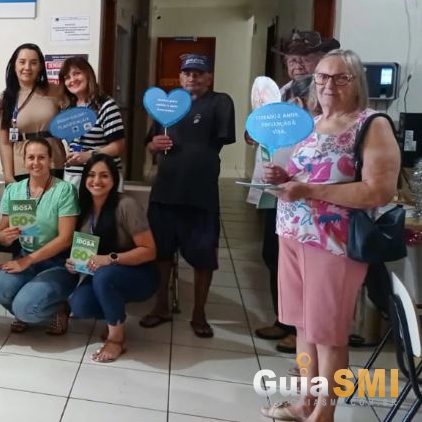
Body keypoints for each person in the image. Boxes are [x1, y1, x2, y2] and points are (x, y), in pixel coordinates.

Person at [260, 50, 401, 422]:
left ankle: (324, 412)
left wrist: (307, 190)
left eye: (341, 78)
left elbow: (378, 191)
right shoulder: (313, 123)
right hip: (292, 234)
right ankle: (305, 402)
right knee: (304, 327)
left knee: (328, 333)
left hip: (334, 244)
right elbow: (306, 174)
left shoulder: (371, 124)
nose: (328, 85)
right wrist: (284, 178)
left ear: (357, 83)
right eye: (322, 77)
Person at [252, 31, 339, 353]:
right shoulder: (281, 93)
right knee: (274, 255)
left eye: (305, 58)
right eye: (291, 59)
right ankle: (285, 320)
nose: (297, 64)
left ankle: (304, 330)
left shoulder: (327, 95)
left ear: (322, 61)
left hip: (310, 190)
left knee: (307, 263)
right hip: (276, 185)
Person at [139, 53, 235, 339]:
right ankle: (161, 306)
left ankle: (199, 313)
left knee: (204, 256)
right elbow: (150, 144)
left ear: (209, 77)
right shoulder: (166, 105)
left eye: (199, 73)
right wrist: (154, 145)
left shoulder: (220, 102)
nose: (193, 77)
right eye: (187, 73)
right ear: (180, 77)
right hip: (165, 191)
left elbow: (219, 140)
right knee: (161, 253)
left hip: (200, 194)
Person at [66, 154, 157, 362]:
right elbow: (86, 251)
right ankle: (113, 314)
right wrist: (74, 264)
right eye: (91, 175)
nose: (96, 181)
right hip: (103, 274)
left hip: (140, 273)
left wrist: (110, 258)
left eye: (104, 175)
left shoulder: (126, 205)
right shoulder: (84, 207)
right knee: (80, 304)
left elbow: (150, 251)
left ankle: (116, 339)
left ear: (114, 179)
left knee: (104, 276)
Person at [0, 139, 79, 334]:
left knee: (25, 308)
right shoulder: (14, 190)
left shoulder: (64, 190)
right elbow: (2, 233)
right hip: (24, 255)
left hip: (57, 263)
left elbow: (66, 239)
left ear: (50, 160)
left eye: (41, 157)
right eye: (31, 157)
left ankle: (58, 309)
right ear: (24, 161)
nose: (36, 162)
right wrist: (5, 237)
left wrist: (27, 261)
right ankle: (25, 309)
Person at [0, 43, 64, 183]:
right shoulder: (4, 98)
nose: (27, 67)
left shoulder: (55, 91)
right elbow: (5, 143)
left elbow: (74, 119)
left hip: (54, 164)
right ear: (14, 65)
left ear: (40, 67)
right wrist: (8, 175)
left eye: (33, 63)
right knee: (26, 199)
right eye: (22, 62)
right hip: (21, 168)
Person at [58, 56, 126, 188]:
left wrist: (89, 155)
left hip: (102, 178)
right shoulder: (67, 109)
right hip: (73, 177)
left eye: (77, 73)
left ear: (88, 74)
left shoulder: (105, 105)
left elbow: (118, 146)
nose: (72, 80)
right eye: (67, 77)